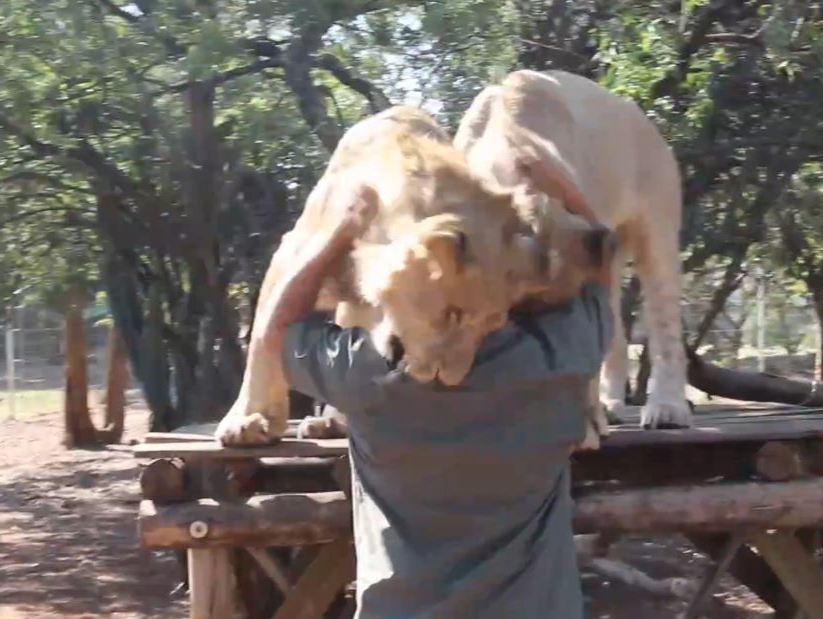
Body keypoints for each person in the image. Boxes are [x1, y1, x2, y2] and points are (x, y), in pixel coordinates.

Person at [255, 203, 612, 619]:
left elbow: (274, 332)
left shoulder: (367, 373)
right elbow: (602, 258)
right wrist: (553, 180)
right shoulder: (556, 358)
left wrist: (336, 233)